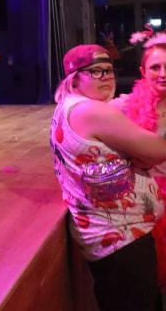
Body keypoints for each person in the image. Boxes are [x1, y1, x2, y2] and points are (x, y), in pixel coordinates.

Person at [50, 44, 166, 311]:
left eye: (108, 70)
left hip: (110, 236)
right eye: (95, 71)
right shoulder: (92, 111)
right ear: (74, 78)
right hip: (121, 240)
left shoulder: (69, 106)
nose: (105, 77)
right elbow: (159, 150)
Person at [111, 28, 166, 289]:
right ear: (143, 72)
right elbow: (89, 114)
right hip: (147, 201)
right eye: (155, 67)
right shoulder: (125, 105)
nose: (163, 74)